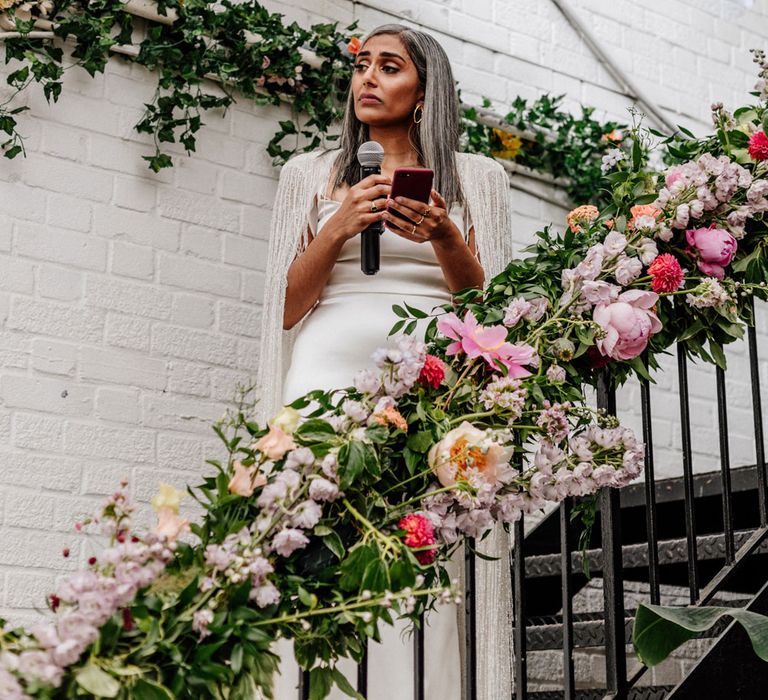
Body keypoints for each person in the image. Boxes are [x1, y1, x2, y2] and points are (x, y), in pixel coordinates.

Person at [257, 23, 514, 700]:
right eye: (362, 64)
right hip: (323, 373)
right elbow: (282, 308)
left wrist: (447, 238)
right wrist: (340, 226)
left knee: (412, 538)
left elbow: (492, 312)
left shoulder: (479, 179)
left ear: (425, 93)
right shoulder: (310, 174)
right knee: (308, 531)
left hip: (427, 381)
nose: (368, 77)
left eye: (390, 66)